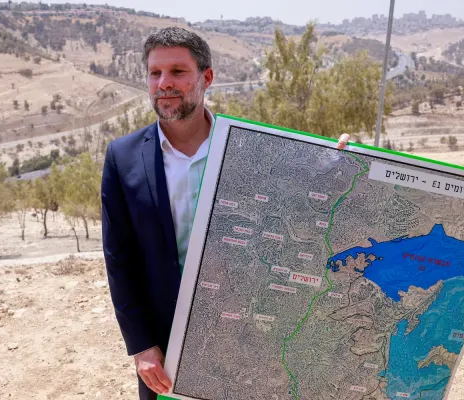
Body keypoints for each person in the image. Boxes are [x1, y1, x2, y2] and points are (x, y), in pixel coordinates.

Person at [100, 26, 350, 400]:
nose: (164, 83)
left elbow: (301, 202)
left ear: (207, 78)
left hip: (248, 331)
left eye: (178, 71)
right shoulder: (122, 157)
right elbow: (120, 259)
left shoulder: (252, 149)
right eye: (155, 73)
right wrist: (141, 345)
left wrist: (344, 163)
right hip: (166, 343)